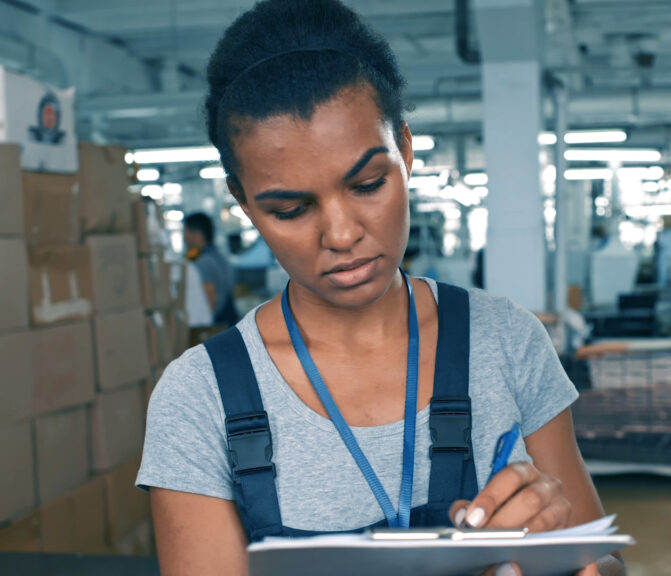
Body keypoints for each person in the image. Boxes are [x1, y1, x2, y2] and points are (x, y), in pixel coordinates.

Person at [135, 2, 624, 576]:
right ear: (244, 203)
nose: (342, 235)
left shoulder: (507, 341)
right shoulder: (201, 398)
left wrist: (564, 557)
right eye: (290, 209)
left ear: (407, 151)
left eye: (368, 184)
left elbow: (606, 563)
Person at [183, 212, 240, 325]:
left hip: (217, 325)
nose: (184, 238)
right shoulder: (219, 257)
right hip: (228, 322)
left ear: (197, 234)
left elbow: (209, 301)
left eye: (185, 232)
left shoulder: (204, 262)